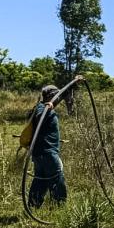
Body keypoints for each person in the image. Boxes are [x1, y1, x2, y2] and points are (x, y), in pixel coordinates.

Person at [28, 77, 82, 208]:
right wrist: (48, 109)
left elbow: (62, 94)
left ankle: (34, 205)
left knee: (41, 179)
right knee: (56, 178)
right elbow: (39, 117)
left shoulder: (42, 107)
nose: (58, 100)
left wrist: (74, 82)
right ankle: (60, 207)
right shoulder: (42, 108)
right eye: (56, 97)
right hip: (47, 152)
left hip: (40, 152)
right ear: (51, 97)